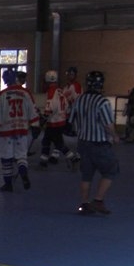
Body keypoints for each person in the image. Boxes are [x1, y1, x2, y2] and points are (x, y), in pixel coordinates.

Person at [69, 70, 119, 215]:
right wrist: (115, 136)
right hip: (99, 144)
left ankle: (84, 204)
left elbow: (71, 120)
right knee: (111, 170)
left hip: (83, 143)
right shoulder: (103, 102)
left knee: (86, 174)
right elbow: (107, 124)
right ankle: (98, 200)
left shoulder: (79, 100)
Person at [0, 72, 40, 192]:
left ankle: (8, 184)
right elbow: (33, 111)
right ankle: (23, 173)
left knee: (6, 158)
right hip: (21, 130)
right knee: (21, 156)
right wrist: (35, 126)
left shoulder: (2, 95)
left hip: (6, 132)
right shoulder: (26, 93)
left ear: (5, 80)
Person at [39, 70, 80, 169]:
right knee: (48, 141)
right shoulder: (60, 90)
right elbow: (66, 106)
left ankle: (72, 158)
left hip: (53, 122)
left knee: (57, 143)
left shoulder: (51, 91)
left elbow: (50, 106)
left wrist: (44, 117)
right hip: (61, 121)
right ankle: (43, 161)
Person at [62, 65, 82, 136]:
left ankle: (74, 130)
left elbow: (78, 99)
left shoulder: (77, 86)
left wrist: (71, 103)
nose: (70, 76)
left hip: (73, 111)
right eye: (69, 74)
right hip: (66, 111)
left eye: (72, 74)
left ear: (75, 75)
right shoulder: (66, 87)